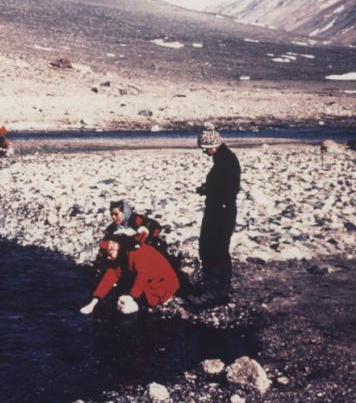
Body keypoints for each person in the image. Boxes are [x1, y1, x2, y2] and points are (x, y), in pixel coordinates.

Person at [189, 123, 240, 308]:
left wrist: (209, 190)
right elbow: (226, 186)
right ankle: (221, 290)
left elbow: (227, 188)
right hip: (223, 210)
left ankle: (211, 293)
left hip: (220, 212)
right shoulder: (225, 159)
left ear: (213, 145)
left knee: (211, 250)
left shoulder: (224, 162)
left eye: (204, 149)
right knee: (219, 249)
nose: (204, 152)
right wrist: (207, 189)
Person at [80, 238, 180, 315]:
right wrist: (93, 303)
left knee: (126, 308)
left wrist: (131, 297)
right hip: (149, 280)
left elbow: (142, 276)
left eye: (108, 254)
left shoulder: (139, 253)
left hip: (163, 284)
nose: (107, 258)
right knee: (121, 300)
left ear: (116, 247)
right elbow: (109, 278)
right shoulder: (121, 255)